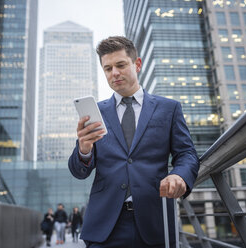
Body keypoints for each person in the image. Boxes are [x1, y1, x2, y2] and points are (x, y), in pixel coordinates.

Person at [68, 36, 199, 247]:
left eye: (120, 65)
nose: (114, 73)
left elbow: (187, 154)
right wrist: (84, 149)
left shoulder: (169, 108)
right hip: (105, 227)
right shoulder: (96, 112)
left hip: (154, 222)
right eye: (108, 68)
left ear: (137, 64)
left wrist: (178, 175)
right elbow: (79, 172)